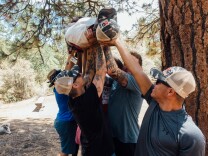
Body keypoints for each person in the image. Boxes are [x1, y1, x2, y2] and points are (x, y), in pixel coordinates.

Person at [99, 37, 206, 156]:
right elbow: (138, 72)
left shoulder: (191, 136)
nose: (154, 83)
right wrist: (116, 41)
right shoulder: (154, 103)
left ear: (170, 92)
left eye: (160, 81)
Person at [103, 46, 144, 156]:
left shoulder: (137, 82)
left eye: (132, 64)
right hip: (113, 136)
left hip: (128, 140)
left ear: (140, 68)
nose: (127, 66)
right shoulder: (116, 81)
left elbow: (112, 71)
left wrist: (105, 46)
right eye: (126, 63)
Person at [47, 54, 79, 156]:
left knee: (73, 148)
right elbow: (67, 71)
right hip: (66, 122)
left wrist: (73, 56)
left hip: (66, 121)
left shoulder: (59, 87)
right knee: (66, 151)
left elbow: (68, 70)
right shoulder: (60, 87)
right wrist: (72, 57)